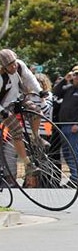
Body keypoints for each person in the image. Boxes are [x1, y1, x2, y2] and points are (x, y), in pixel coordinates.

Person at [0, 49, 44, 182]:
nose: (13, 67)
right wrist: (2, 111)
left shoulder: (19, 66)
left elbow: (30, 78)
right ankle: (28, 163)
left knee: (36, 112)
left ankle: (36, 137)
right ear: (3, 66)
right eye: (10, 65)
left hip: (18, 99)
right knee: (17, 130)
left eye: (14, 63)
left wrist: (40, 91)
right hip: (3, 107)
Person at [52, 66, 78, 186]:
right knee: (66, 153)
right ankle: (73, 177)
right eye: (75, 74)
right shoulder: (68, 88)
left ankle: (75, 179)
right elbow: (55, 92)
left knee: (74, 152)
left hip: (75, 127)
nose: (77, 77)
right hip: (64, 125)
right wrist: (65, 79)